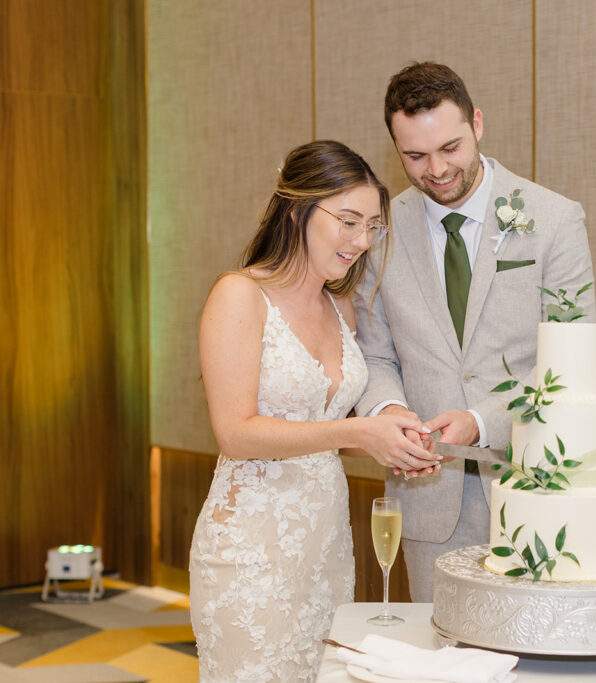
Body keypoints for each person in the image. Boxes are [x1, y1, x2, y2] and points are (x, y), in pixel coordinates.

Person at [189, 140, 437, 682]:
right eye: (348, 221)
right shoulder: (239, 295)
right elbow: (237, 433)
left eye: (373, 226)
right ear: (298, 210)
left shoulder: (339, 304)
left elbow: (325, 432)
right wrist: (359, 429)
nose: (361, 241)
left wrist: (391, 440)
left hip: (324, 546)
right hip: (250, 553)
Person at [353, 62, 596, 601]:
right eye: (414, 156)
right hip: (425, 503)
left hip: (536, 494)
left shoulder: (554, 221)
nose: (436, 169)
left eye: (451, 148)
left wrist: (481, 422)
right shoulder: (382, 233)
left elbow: (572, 365)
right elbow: (373, 357)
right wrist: (388, 412)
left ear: (478, 124)